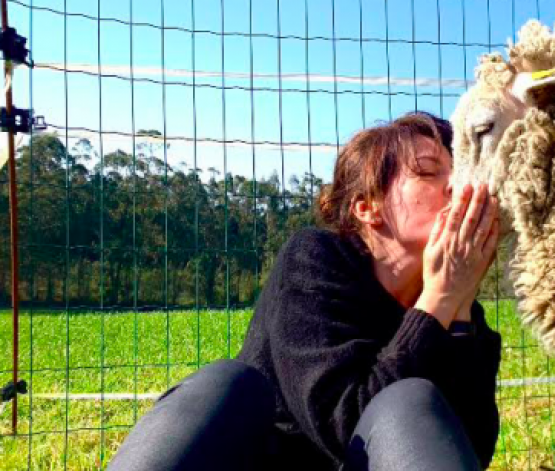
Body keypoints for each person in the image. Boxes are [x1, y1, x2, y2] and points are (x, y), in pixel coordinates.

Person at [107, 112, 503, 471]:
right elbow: (342, 425)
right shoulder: (316, 259)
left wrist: (457, 308)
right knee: (227, 385)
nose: (457, 184)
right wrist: (440, 300)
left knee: (409, 403)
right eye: (429, 171)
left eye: (460, 169)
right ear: (367, 207)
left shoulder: (459, 308)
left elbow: (468, 450)